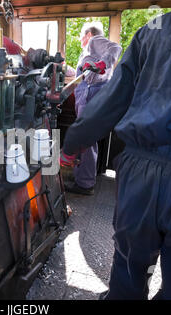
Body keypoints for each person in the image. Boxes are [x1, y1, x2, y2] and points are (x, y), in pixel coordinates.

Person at [60, 0, 171, 299]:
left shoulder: (152, 30)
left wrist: (73, 142)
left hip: (142, 175)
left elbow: (113, 100)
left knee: (128, 268)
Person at [64, 21, 122, 196]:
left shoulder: (94, 41)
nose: (81, 39)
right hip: (87, 100)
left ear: (89, 34)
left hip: (90, 101)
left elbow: (116, 48)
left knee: (86, 142)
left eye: (82, 35)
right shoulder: (89, 53)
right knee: (85, 141)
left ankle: (85, 183)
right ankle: (82, 178)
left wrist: (102, 65)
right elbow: (83, 75)